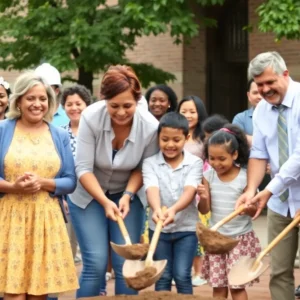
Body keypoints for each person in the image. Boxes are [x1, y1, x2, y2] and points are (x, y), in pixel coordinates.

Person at [67, 65, 159, 297]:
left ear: (137, 101)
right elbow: (84, 168)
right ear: (104, 100)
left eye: (127, 106)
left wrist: (127, 195)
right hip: (88, 195)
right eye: (113, 106)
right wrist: (104, 202)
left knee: (126, 265)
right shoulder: (90, 116)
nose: (120, 112)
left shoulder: (150, 126)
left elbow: (143, 168)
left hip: (128, 194)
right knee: (96, 263)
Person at [0, 72, 78, 300]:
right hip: (10, 217)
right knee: (13, 292)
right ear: (19, 101)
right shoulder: (3, 130)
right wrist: (14, 187)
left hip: (46, 219)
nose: (37, 104)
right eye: (30, 98)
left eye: (42, 99)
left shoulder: (59, 134)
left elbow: (70, 180)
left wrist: (43, 183)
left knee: (39, 292)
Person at [235, 51, 300, 300]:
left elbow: (299, 155)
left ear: (285, 74)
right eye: (259, 84)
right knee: (280, 272)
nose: (264, 89)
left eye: (269, 82)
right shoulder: (261, 110)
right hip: (279, 202)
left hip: (279, 191)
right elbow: (259, 154)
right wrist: (251, 190)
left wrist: (269, 189)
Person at [198, 124, 261, 300]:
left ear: (234, 154)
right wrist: (203, 197)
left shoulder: (245, 177)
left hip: (238, 240)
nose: (216, 163)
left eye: (222, 158)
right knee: (218, 288)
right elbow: (205, 209)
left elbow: (253, 211)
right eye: (212, 158)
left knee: (237, 287)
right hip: (216, 240)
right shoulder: (209, 176)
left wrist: (248, 208)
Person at [142, 112, 202, 294]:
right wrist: (156, 209)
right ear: (158, 138)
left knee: (182, 274)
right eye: (164, 139)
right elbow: (151, 188)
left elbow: (190, 191)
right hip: (159, 230)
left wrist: (174, 210)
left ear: (187, 137)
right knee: (163, 275)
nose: (170, 145)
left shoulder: (195, 163)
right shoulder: (149, 163)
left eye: (176, 140)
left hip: (187, 230)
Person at [177, 95, 208, 286]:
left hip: (197, 189)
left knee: (196, 232)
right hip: (175, 188)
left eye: (192, 111)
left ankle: (199, 272)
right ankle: (183, 271)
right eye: (184, 111)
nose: (188, 115)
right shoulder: (173, 134)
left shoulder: (204, 138)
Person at [61, 84, 92, 259]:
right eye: (69, 104)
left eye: (78, 104)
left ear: (87, 105)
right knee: (68, 242)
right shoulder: (59, 133)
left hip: (91, 193)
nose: (74, 108)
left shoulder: (94, 132)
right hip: (68, 193)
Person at [232, 79, 262, 146]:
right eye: (255, 93)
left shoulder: (278, 116)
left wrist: (249, 139)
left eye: (262, 92)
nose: (259, 97)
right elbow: (238, 141)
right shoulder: (240, 118)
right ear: (249, 96)